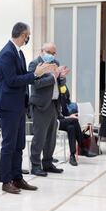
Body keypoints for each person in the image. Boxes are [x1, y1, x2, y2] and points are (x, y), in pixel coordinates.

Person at [0, 22, 54, 194]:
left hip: (19, 104)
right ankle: (6, 181)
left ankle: (17, 177)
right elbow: (12, 80)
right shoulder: (7, 53)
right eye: (28, 35)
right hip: (8, 105)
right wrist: (36, 74)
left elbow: (21, 77)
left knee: (19, 143)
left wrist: (36, 74)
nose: (28, 38)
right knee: (9, 144)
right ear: (23, 35)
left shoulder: (18, 52)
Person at [28, 42, 68, 176]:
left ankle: (48, 163)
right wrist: (53, 77)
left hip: (54, 104)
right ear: (42, 51)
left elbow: (59, 83)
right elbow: (36, 84)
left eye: (53, 53)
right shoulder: (35, 64)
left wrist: (62, 77)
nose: (52, 55)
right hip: (40, 105)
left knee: (51, 137)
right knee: (39, 137)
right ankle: (35, 165)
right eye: (49, 52)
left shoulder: (55, 63)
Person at [58, 84, 95, 166]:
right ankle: (82, 147)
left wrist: (70, 114)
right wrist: (68, 117)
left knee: (71, 128)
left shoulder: (62, 94)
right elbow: (56, 115)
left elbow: (65, 112)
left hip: (63, 120)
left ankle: (72, 156)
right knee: (74, 121)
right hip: (55, 122)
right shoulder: (52, 96)